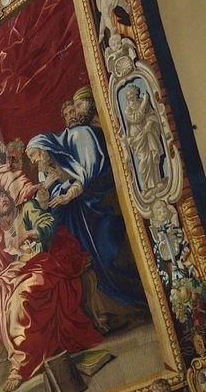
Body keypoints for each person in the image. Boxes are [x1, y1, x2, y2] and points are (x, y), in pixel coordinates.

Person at [26, 91, 145, 310]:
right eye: (68, 113)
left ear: (44, 147)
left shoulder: (81, 134)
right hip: (76, 212)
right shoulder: (48, 168)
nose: (34, 161)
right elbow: (49, 198)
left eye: (34, 154)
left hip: (97, 200)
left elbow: (87, 173)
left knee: (107, 246)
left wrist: (67, 194)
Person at [0, 189, 105, 392]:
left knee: (20, 299)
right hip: (21, 267)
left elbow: (48, 223)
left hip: (45, 260)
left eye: (3, 197)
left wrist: (29, 234)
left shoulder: (27, 209)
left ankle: (21, 364)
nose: (2, 199)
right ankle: (17, 352)